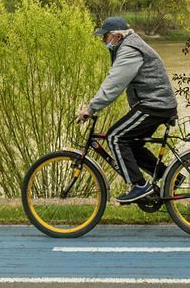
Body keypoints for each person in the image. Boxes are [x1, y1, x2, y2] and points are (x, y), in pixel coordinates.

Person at [75, 15, 179, 204]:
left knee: (115, 136)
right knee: (130, 144)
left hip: (154, 105)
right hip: (155, 104)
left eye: (105, 37)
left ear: (117, 36)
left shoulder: (130, 50)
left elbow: (114, 83)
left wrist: (91, 109)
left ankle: (139, 186)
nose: (103, 41)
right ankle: (170, 176)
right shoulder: (129, 46)